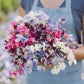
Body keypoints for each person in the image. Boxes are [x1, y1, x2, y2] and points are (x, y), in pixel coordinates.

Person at [19, 0, 84, 84]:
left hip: (71, 78)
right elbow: (21, 38)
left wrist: (63, 53)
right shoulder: (26, 1)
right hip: (35, 78)